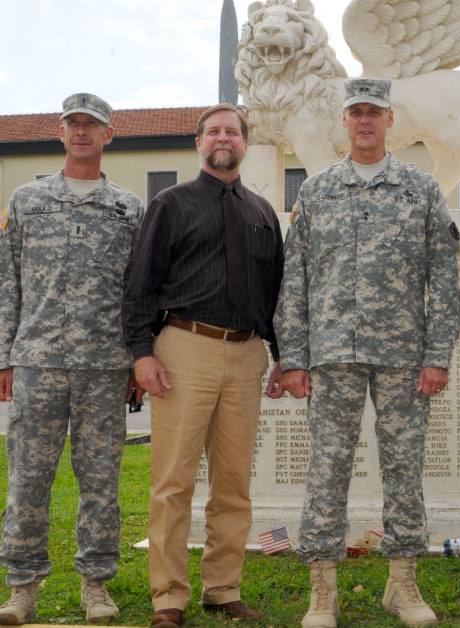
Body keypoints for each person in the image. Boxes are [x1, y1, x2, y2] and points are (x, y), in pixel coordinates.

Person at [274, 78, 460, 628]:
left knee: (404, 468)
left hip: (404, 355)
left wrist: (438, 354)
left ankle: (402, 584)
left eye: (374, 113)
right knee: (327, 469)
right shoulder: (317, 191)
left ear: (390, 122)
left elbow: (442, 280)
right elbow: (297, 280)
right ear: (343, 121)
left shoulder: (420, 190)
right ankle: (322, 590)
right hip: (332, 354)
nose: (364, 121)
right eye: (355, 112)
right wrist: (294, 357)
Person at [121, 103, 284, 628]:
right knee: (174, 481)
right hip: (184, 347)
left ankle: (223, 588)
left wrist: (282, 356)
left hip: (246, 354)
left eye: (232, 132)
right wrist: (142, 353)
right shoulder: (169, 204)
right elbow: (139, 284)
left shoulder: (263, 212)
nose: (223, 138)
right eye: (213, 131)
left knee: (234, 482)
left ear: (244, 144)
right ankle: (168, 598)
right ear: (198, 143)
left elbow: (274, 293)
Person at [0, 93, 144, 624]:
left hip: (106, 366)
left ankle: (96, 584)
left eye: (93, 125)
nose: (82, 132)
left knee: (101, 482)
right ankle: (22, 589)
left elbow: (138, 290)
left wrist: (136, 361)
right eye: (74, 124)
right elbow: (7, 282)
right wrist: (3, 357)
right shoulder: (28, 200)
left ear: (110, 135)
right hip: (38, 360)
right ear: (60, 132)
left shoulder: (129, 208)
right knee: (28, 480)